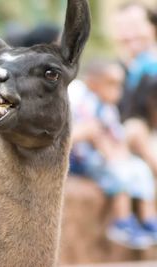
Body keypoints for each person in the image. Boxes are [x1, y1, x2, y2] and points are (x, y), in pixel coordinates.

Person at [69, 60, 157, 249]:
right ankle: (121, 221)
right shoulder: (81, 100)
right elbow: (92, 135)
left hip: (107, 156)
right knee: (119, 173)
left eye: (120, 84)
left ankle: (148, 219)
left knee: (140, 169)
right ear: (93, 82)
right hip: (84, 160)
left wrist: (123, 156)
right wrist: (113, 156)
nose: (118, 90)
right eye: (111, 83)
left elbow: (116, 137)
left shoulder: (108, 108)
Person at [112, 2, 157, 177]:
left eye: (134, 26)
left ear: (153, 27)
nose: (129, 34)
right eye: (122, 27)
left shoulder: (152, 66)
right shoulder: (114, 70)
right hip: (122, 147)